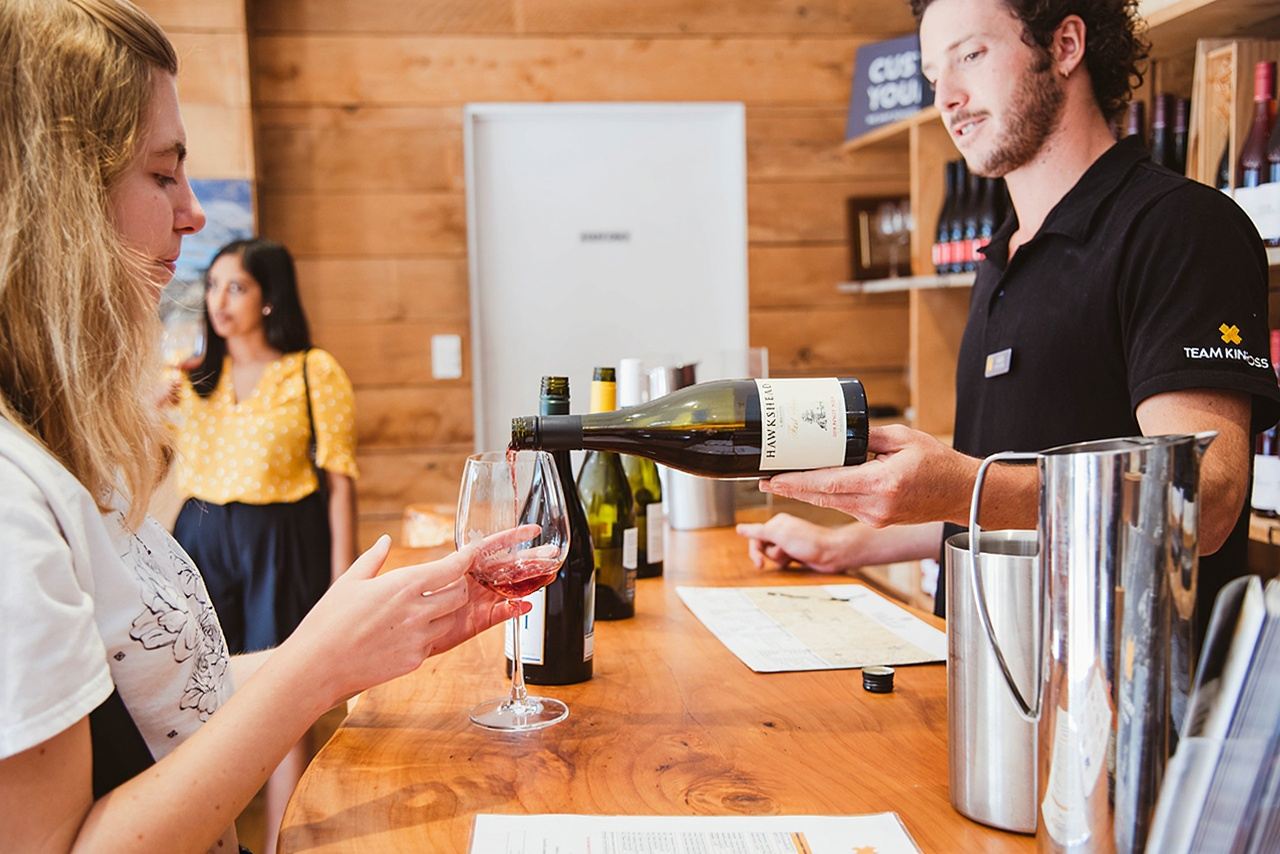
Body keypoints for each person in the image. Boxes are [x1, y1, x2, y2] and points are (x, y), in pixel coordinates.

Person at [0, 2, 522, 851]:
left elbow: (170, 699)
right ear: (58, 199)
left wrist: (363, 643)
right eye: (163, 174)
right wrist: (316, 664)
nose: (196, 214)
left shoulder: (61, 456)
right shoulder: (11, 498)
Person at [739, 0, 1280, 649]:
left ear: (1066, 44)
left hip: (1116, 707)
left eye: (971, 55)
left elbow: (1204, 501)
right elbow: (1000, 506)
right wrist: (843, 545)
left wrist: (961, 483)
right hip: (982, 678)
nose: (949, 98)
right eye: (934, 75)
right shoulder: (1002, 259)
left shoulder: (1180, 230)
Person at [169, 237, 359, 852]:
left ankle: (280, 844)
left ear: (270, 298)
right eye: (214, 285)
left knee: (283, 697)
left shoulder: (311, 370)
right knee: (192, 694)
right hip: (196, 541)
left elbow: (339, 483)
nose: (220, 300)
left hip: (279, 544)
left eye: (238, 287)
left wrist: (341, 585)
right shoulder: (192, 377)